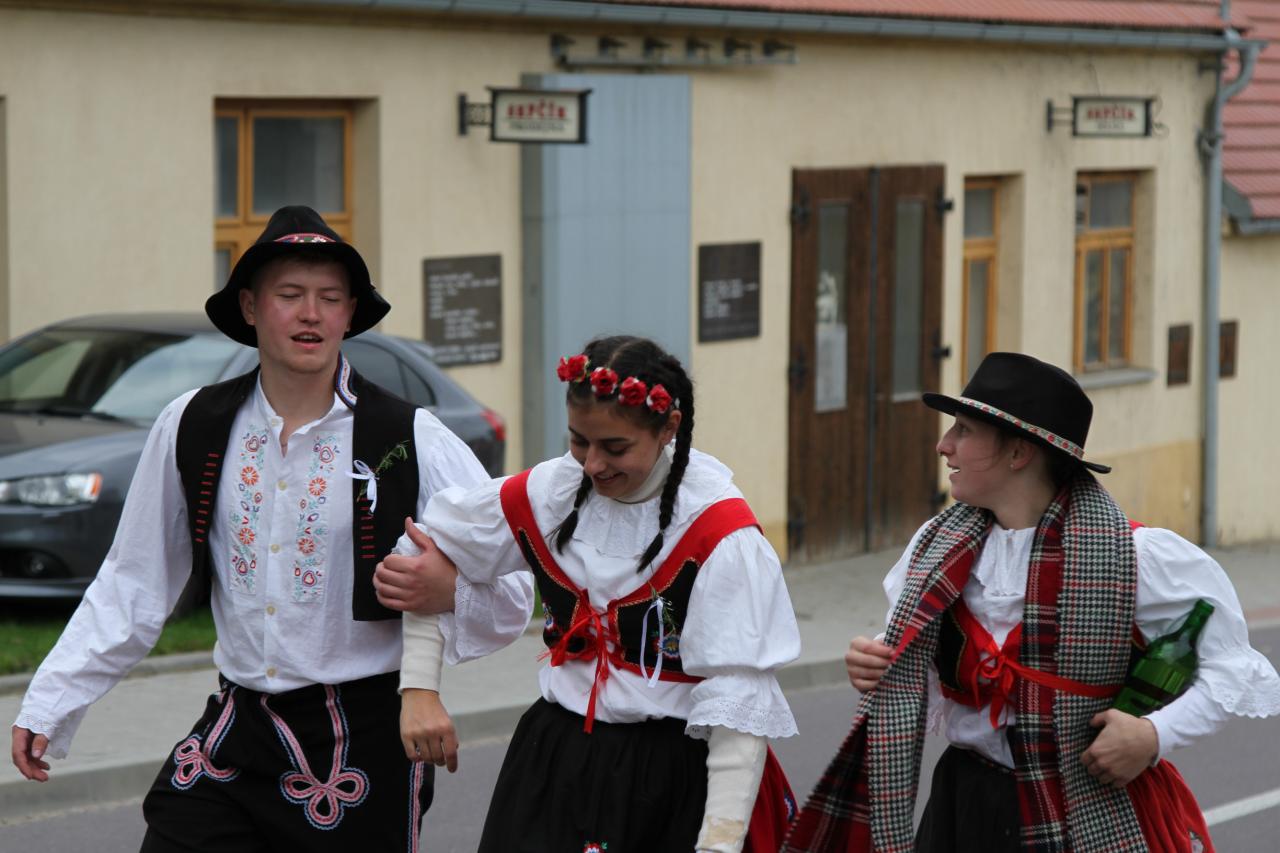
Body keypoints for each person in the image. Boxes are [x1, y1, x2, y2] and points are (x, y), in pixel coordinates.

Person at [9, 205, 533, 852]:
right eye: (290, 295)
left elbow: (515, 590)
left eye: (330, 298)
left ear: (350, 314)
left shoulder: (411, 436)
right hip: (237, 728)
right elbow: (134, 579)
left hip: (361, 739)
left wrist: (447, 590)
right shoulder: (193, 424)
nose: (311, 313)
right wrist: (52, 700)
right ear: (251, 307)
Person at [785, 351, 1280, 853]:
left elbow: (1233, 670)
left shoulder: (1135, 556)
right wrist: (875, 661)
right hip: (964, 802)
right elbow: (922, 673)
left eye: (964, 430)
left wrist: (1153, 736)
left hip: (1082, 803)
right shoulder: (937, 550)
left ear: (1019, 453)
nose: (944, 445)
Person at [389, 334, 802, 853]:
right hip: (555, 760)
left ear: (669, 428)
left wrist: (718, 843)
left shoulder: (719, 533)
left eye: (615, 447)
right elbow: (427, 550)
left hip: (672, 777)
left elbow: (738, 705)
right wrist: (419, 688)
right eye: (579, 441)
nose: (592, 464)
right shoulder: (552, 491)